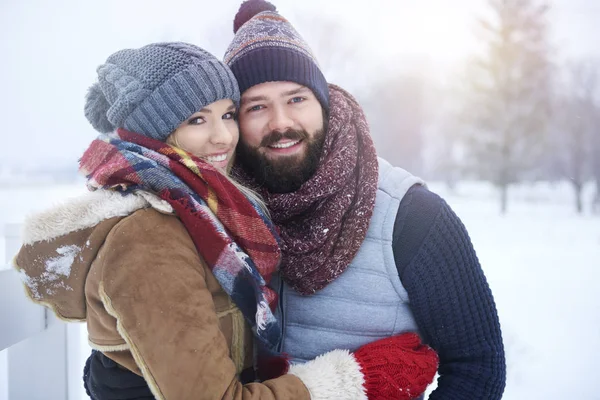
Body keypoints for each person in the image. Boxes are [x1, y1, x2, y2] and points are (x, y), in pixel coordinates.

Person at [84, 0, 507, 398]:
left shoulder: (411, 216)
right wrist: (118, 376)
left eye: (297, 99)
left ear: (325, 103)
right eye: (255, 107)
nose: (281, 122)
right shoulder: (212, 215)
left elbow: (477, 365)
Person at [14, 42, 439, 400]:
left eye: (228, 113)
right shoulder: (149, 236)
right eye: (197, 119)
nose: (223, 136)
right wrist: (353, 378)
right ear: (153, 131)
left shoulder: (203, 208)